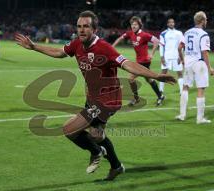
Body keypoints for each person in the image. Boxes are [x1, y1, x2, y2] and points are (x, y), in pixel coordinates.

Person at [15, 10, 176, 180]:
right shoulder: (77, 44)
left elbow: (128, 64)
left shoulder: (105, 48)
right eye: (79, 26)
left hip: (107, 101)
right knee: (96, 135)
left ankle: (97, 152)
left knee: (69, 130)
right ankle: (116, 166)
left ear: (95, 29)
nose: (81, 30)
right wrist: (34, 47)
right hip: (92, 99)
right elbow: (59, 52)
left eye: (86, 26)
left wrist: (156, 75)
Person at [112, 16, 165, 106]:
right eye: (132, 24)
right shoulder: (130, 33)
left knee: (131, 79)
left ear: (139, 25)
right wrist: (112, 47)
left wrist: (151, 54)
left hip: (144, 62)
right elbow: (120, 38)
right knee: (149, 80)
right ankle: (160, 96)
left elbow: (156, 41)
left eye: (135, 24)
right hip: (139, 62)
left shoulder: (144, 35)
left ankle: (136, 99)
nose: (133, 26)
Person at [176, 11, 214, 124]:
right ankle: (200, 119)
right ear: (202, 21)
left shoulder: (187, 32)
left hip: (188, 63)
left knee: (185, 87)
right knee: (201, 89)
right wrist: (210, 68)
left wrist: (182, 60)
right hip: (199, 63)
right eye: (206, 19)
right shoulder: (203, 34)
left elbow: (179, 48)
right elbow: (204, 52)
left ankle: (182, 115)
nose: (206, 21)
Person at [159, 18, 184, 95]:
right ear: (167, 24)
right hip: (167, 56)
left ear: (174, 23)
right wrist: (162, 57)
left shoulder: (179, 33)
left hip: (176, 56)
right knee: (163, 73)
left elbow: (182, 45)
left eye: (172, 22)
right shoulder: (163, 33)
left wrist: (180, 56)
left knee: (179, 73)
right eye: (170, 22)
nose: (171, 24)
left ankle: (181, 91)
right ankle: (160, 91)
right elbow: (161, 46)